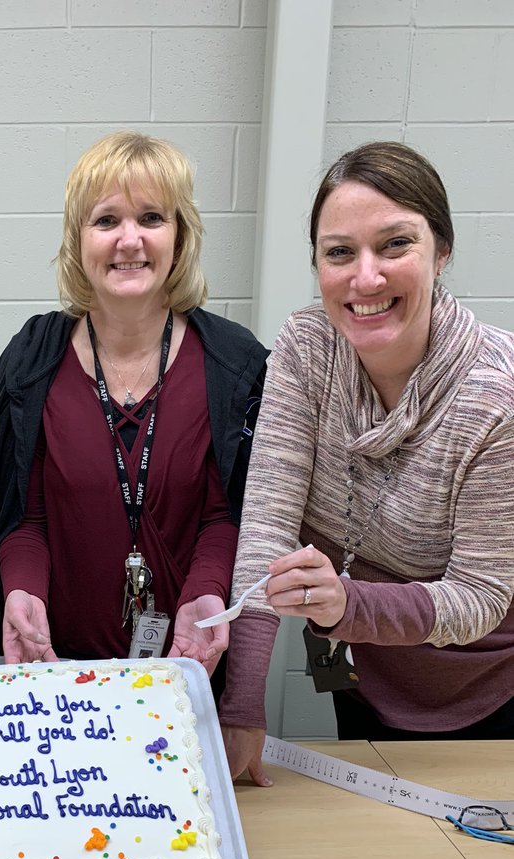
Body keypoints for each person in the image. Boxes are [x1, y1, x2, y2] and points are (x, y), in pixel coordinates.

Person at [218, 141, 514, 785]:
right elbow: (267, 528)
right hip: (364, 677)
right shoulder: (306, 349)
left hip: (486, 698)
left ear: (443, 251)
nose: (366, 278)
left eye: (395, 245)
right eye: (340, 253)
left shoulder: (497, 398)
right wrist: (242, 706)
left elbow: (481, 598)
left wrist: (344, 604)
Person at [0, 130, 268, 677]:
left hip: (188, 666)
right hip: (58, 673)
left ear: (180, 236)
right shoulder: (31, 364)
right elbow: (23, 517)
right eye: (106, 220)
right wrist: (21, 589)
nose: (129, 240)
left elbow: (227, 514)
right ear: (77, 240)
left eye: (152, 218)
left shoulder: (232, 365)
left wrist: (205, 590)